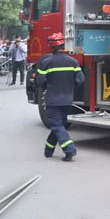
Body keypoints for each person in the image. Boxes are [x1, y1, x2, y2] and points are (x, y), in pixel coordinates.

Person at [37, 32, 83, 161]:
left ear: (51, 47)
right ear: (63, 45)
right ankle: (48, 150)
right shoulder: (73, 61)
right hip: (67, 99)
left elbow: (40, 82)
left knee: (56, 125)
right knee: (59, 124)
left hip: (53, 99)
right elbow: (80, 80)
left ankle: (70, 150)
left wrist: (48, 86)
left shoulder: (46, 62)